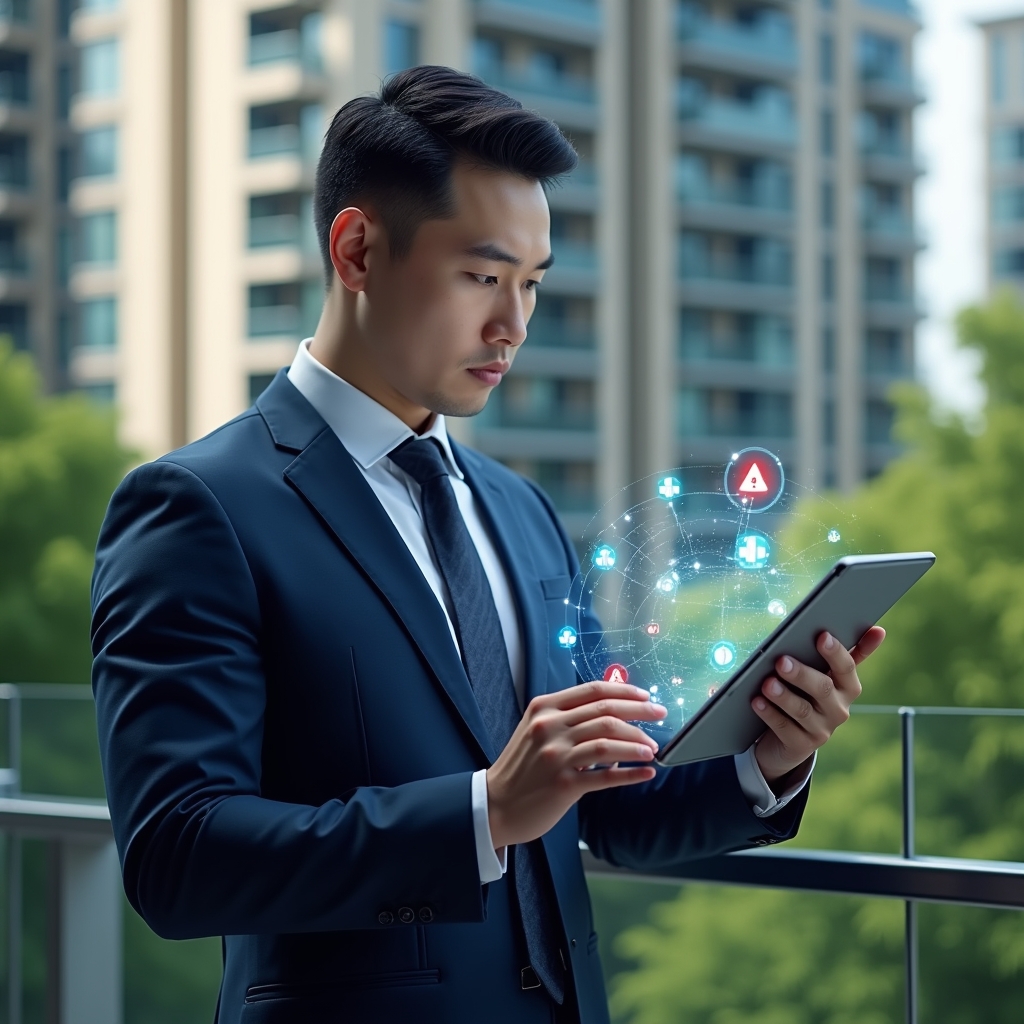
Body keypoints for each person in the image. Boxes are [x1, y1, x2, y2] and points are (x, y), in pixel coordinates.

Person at [90, 66, 884, 1024]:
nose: (512, 326)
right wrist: (482, 814)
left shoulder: (517, 510)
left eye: (532, 284)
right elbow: (180, 857)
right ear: (357, 249)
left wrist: (766, 758)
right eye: (480, 275)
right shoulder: (198, 507)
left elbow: (602, 809)